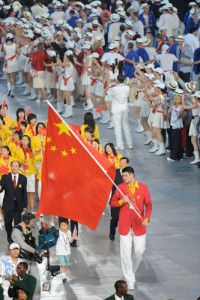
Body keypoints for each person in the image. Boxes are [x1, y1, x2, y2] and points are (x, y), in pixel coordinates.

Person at [110, 167, 152, 290]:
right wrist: (121, 201)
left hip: (139, 225)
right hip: (125, 226)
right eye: (123, 176)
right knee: (126, 254)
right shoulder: (120, 188)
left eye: (126, 176)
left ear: (132, 175)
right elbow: (112, 203)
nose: (124, 178)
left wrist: (147, 219)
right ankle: (129, 279)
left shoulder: (143, 188)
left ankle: (130, 272)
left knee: (139, 251)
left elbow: (148, 205)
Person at [0, 161, 27, 243]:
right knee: (8, 222)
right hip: (8, 204)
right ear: (10, 167)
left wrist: (25, 205)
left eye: (16, 166)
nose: (14, 168)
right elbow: (1, 189)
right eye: (13, 166)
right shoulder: (5, 177)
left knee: (17, 223)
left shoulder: (23, 178)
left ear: (19, 168)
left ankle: (16, 238)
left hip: (18, 205)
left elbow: (24, 193)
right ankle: (9, 237)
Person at [110, 74, 133, 150]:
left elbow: (108, 94)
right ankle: (130, 143)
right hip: (125, 108)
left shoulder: (114, 89)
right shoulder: (127, 88)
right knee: (126, 125)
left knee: (118, 126)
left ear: (117, 80)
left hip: (117, 109)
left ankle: (120, 144)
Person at [109, 157, 129, 241]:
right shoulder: (114, 172)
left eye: (123, 163)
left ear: (127, 164)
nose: (121, 164)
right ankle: (112, 231)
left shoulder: (129, 174)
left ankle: (124, 235)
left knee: (124, 219)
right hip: (115, 200)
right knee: (115, 218)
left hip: (125, 201)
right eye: (120, 162)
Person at [56, 218, 77, 282]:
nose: (62, 227)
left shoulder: (69, 232)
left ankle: (63, 273)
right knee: (63, 265)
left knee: (65, 265)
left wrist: (73, 235)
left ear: (67, 226)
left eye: (64, 225)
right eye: (61, 225)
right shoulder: (58, 233)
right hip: (60, 251)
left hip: (67, 251)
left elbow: (70, 241)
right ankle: (63, 277)